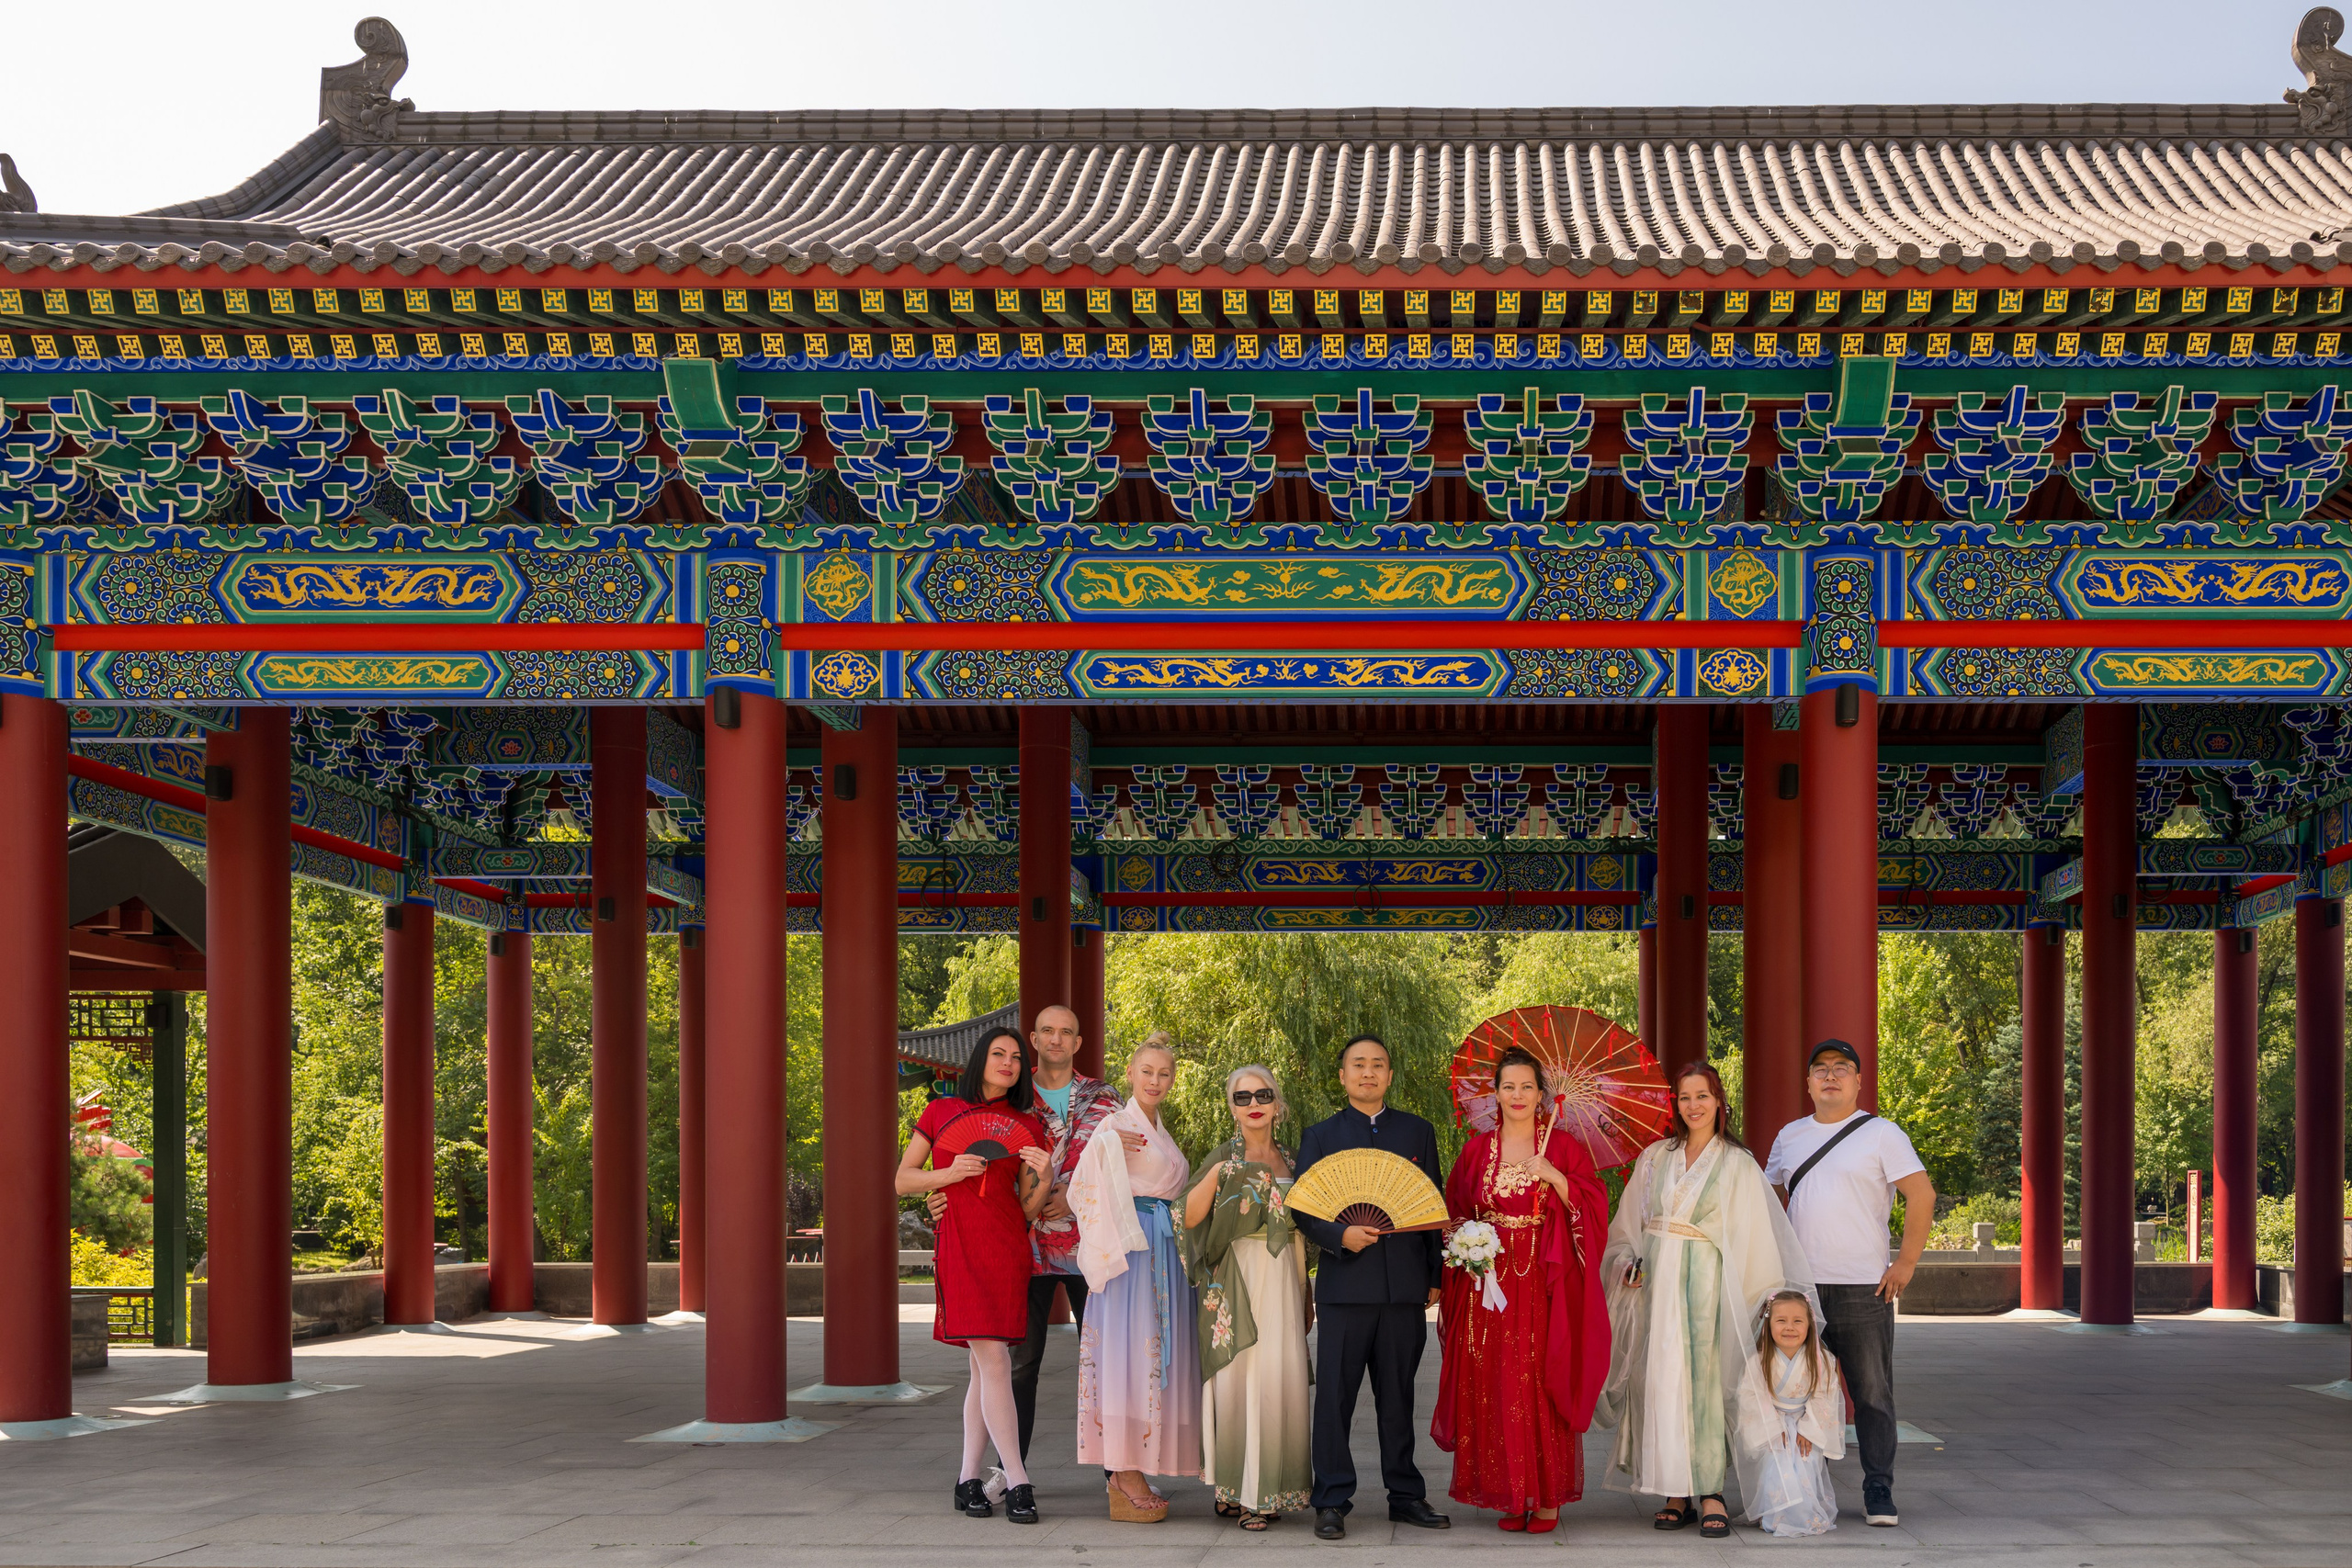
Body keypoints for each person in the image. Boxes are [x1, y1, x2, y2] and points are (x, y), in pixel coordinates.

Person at [1597, 1060, 1815, 1540]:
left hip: (1710, 1288)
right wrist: (1627, 1261)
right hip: (1655, 1283)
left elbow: (1755, 1237)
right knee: (1659, 1381)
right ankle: (1675, 1489)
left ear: (1719, 1102)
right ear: (1674, 1104)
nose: (1693, 1106)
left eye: (1702, 1096)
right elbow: (1628, 1226)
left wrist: (1757, 1304)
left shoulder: (1737, 1163)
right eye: (1684, 1097)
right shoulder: (1654, 1157)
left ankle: (1711, 1489)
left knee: (1708, 1383)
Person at [925, 1002, 1121, 1462]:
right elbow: (971, 1162)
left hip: (1088, 1246)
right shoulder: (1012, 1096)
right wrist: (939, 1199)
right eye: (1046, 1031)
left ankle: (1119, 1474)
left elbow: (1123, 1167)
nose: (1056, 1039)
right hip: (1022, 1249)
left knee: (1105, 1362)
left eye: (1066, 1032)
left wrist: (1071, 1194)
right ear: (1033, 1040)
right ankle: (1006, 1469)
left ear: (1078, 1043)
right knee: (1020, 1365)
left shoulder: (1104, 1099)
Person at [1430, 1045, 1611, 1533]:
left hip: (1542, 1283)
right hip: (1486, 1285)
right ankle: (1511, 1492)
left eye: (1526, 1087)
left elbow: (1595, 1207)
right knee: (1493, 1382)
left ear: (1541, 1094)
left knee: (1537, 1381)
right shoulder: (1475, 1150)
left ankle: (1547, 1496)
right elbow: (1454, 1210)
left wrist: (1554, 1176)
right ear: (1495, 1093)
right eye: (1508, 1086)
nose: (1517, 1095)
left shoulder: (1563, 1146)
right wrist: (1466, 1242)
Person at [1761, 1039, 1935, 1529]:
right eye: (1820, 1069)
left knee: (1872, 1392)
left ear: (1859, 1081)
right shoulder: (1790, 1136)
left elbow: (1921, 1194)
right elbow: (1769, 1193)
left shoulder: (1882, 1134)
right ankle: (1797, 1484)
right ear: (1808, 1082)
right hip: (1798, 1288)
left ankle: (1878, 1486)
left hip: (1863, 1287)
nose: (1831, 1077)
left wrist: (1906, 1262)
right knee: (1791, 1389)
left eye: (1842, 1069)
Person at [1291, 1033, 1451, 1541]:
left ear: (1389, 1075)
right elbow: (1304, 1207)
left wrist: (1433, 1276)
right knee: (1334, 1398)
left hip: (1404, 1290)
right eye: (1358, 1065)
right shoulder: (1320, 1135)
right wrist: (1340, 1235)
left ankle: (1405, 1495)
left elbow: (1432, 1208)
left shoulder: (1417, 1132)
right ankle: (1332, 1499)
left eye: (1378, 1065)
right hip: (1344, 1289)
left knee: (1399, 1398)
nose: (1368, 1072)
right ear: (1342, 1076)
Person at [895, 1025, 1055, 1526]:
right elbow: (902, 1180)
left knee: (983, 1370)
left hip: (1006, 1246)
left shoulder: (1026, 1124)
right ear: (979, 1060)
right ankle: (1019, 1478)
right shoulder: (940, 1112)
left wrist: (1046, 1174)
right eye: (998, 1054)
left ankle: (968, 1480)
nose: (1008, 1063)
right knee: (996, 1361)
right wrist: (948, 1176)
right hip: (960, 1245)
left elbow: (1029, 1209)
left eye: (1015, 1058)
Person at [1069, 1032, 1200, 1521]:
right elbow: (1080, 1184)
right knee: (1128, 1348)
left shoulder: (1157, 1128)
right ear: (1130, 1073)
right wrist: (1102, 1145)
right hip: (1130, 1252)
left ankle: (1138, 1461)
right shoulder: (1113, 1126)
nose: (1155, 1080)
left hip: (1164, 1248)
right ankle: (1122, 1472)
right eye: (1147, 1071)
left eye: (1164, 1073)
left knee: (1153, 1345)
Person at [1182, 1064, 1312, 1530]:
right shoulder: (1223, 1156)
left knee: (1279, 1378)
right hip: (1236, 1280)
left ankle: (1267, 1486)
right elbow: (1188, 1217)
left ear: (1278, 1104)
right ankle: (1239, 1489)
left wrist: (1307, 1293)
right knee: (1238, 1382)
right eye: (1243, 1097)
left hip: (1285, 1277)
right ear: (1232, 1107)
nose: (1254, 1104)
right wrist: (1219, 1174)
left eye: (1263, 1095)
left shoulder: (1297, 1161)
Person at [1739, 1290, 1844, 1539]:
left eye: (1798, 1321)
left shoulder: (1822, 1360)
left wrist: (1807, 1428)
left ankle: (1803, 1513)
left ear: (1810, 1324)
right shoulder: (1759, 1360)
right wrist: (1773, 1428)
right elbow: (1750, 1397)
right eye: (1781, 1320)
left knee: (1805, 1467)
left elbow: (1824, 1397)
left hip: (1805, 1424)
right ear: (1768, 1323)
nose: (1790, 1327)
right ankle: (1774, 1512)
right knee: (1774, 1468)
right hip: (1772, 1424)